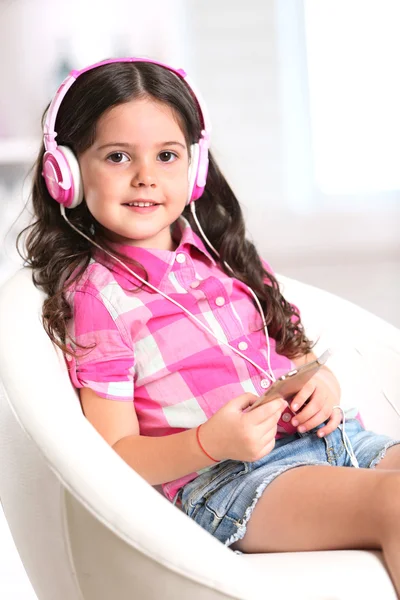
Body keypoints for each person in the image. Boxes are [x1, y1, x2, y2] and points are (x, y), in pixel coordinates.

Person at [21, 57, 400, 593]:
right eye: (117, 156)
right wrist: (208, 442)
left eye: (167, 155)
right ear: (68, 171)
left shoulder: (223, 257)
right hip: (230, 481)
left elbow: (296, 354)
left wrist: (320, 384)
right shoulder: (97, 297)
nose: (145, 176)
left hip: (332, 442)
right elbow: (114, 457)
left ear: (194, 169)